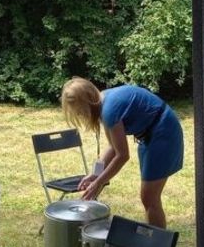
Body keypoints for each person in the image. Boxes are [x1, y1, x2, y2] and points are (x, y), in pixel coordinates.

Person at [60, 77, 183, 229]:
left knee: (149, 197)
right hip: (150, 134)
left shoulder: (109, 110)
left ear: (88, 101)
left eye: (79, 110)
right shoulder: (104, 101)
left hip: (163, 132)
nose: (80, 115)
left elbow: (122, 155)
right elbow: (113, 146)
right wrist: (96, 174)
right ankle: (154, 242)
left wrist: (99, 182)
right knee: (149, 197)